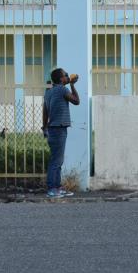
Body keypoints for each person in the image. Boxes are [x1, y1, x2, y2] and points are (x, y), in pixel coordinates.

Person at [42, 68, 80, 198]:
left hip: (52, 129)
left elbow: (45, 112)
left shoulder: (49, 92)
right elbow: (76, 101)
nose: (68, 77)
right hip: (59, 129)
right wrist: (72, 85)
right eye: (66, 75)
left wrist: (44, 128)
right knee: (56, 161)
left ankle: (57, 187)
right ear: (60, 78)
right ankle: (52, 189)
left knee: (58, 160)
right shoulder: (62, 89)